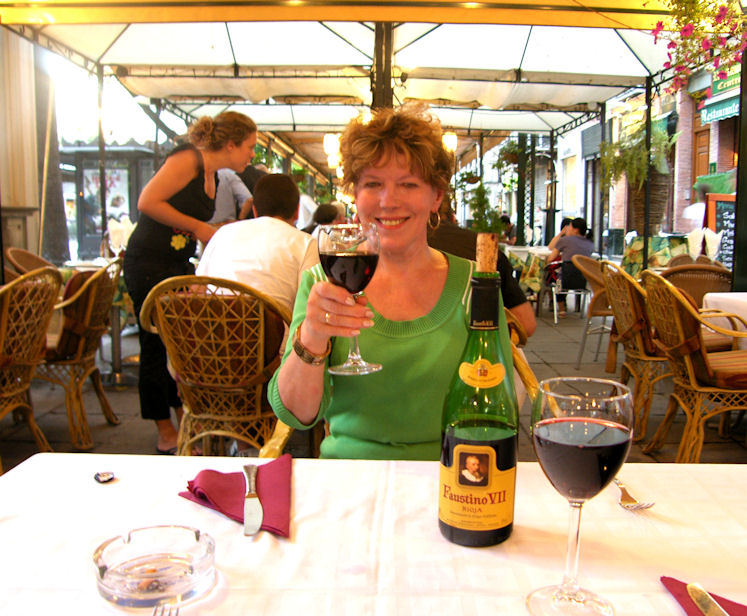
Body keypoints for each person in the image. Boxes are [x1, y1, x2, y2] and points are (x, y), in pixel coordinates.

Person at [267, 104, 515, 460]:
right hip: (351, 475)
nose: (388, 201)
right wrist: (313, 337)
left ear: (436, 197)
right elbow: (296, 414)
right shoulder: (324, 285)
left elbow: (496, 407)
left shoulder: (476, 287)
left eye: (408, 184)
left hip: (450, 472)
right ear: (355, 195)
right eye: (373, 184)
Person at [123, 111, 258, 455]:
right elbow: (146, 202)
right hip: (149, 262)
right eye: (250, 146)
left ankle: (184, 417)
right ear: (231, 144)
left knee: (179, 345)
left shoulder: (212, 174)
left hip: (176, 263)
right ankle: (164, 429)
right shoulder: (189, 159)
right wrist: (199, 228)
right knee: (156, 345)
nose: (252, 154)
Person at [196, 173, 319, 315]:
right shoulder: (306, 243)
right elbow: (312, 304)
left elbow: (197, 289)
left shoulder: (222, 233)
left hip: (214, 327)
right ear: (297, 211)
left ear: (254, 210)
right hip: (275, 329)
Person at [428, 199, 535, 337]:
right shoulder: (485, 248)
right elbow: (526, 325)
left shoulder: (403, 250)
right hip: (481, 346)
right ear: (453, 217)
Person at [547, 217, 594, 318]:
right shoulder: (590, 244)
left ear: (575, 230)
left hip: (565, 279)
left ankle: (561, 309)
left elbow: (550, 258)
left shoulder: (564, 240)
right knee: (564, 274)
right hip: (583, 280)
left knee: (554, 276)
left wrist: (561, 234)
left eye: (570, 227)